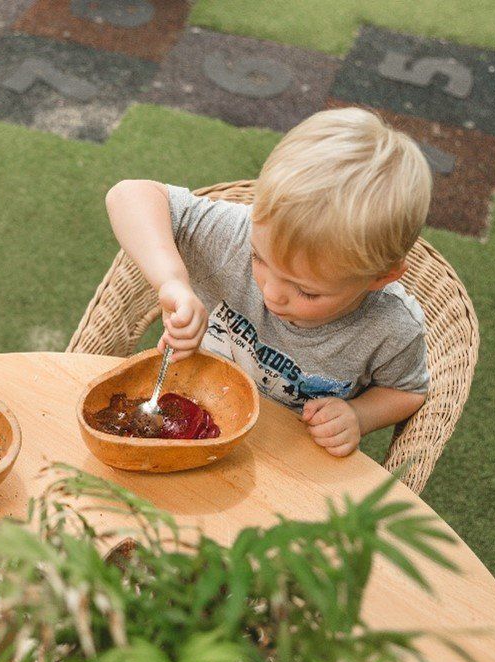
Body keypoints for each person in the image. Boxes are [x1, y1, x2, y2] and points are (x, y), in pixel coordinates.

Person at [105, 107, 432, 457]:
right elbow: (128, 195)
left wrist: (359, 415)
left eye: (306, 290)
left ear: (382, 277)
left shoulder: (392, 327)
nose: (272, 293)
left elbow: (408, 390)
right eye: (258, 259)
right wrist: (172, 282)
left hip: (286, 456)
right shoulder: (235, 236)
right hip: (186, 418)